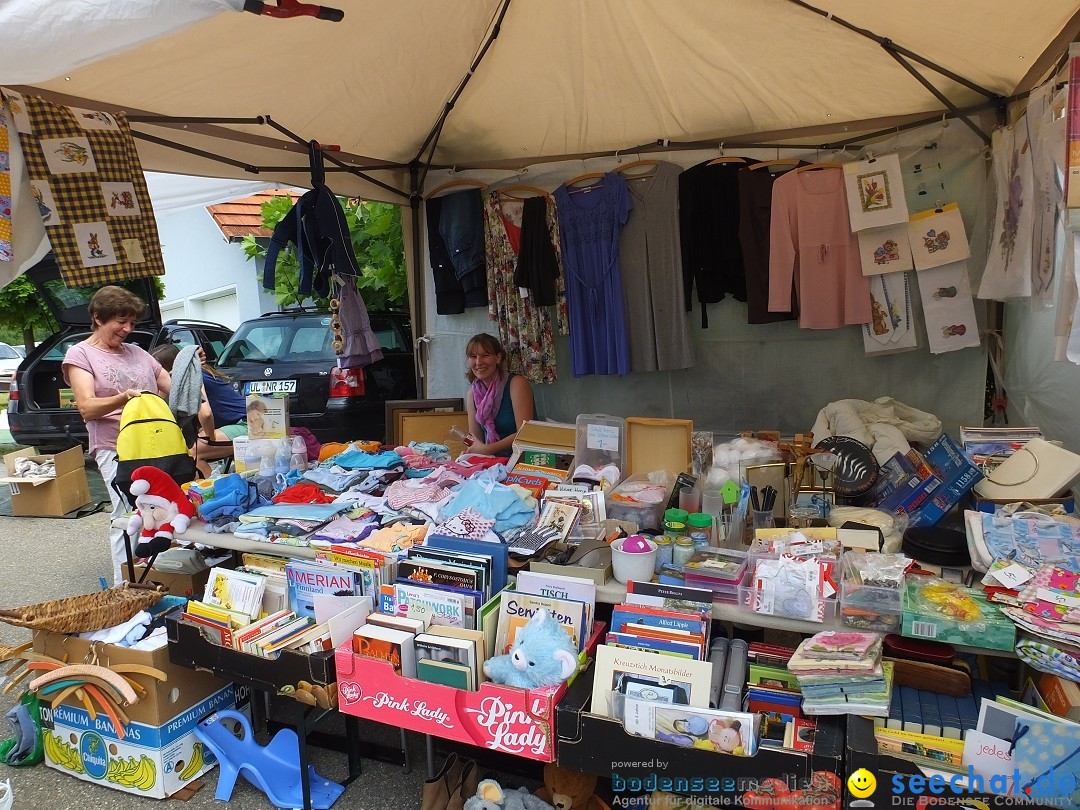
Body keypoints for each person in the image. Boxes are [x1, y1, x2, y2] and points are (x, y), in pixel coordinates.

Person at [63, 286, 171, 585]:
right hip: (114, 445)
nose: (128, 329)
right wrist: (125, 397)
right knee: (128, 514)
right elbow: (87, 407)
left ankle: (157, 579)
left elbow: (170, 387)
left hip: (154, 445)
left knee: (160, 511)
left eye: (133, 323)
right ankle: (124, 585)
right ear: (98, 317)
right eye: (121, 321)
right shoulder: (80, 354)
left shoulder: (138, 353)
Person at [151, 344, 245, 472]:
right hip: (244, 421)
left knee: (192, 451)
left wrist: (210, 437)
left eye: (156, 369)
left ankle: (211, 490)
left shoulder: (193, 377)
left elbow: (205, 414)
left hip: (249, 424)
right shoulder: (186, 376)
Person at [464, 333, 534, 456]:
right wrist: (469, 453)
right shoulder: (472, 394)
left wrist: (488, 449)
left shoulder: (516, 384)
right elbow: (475, 440)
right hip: (493, 461)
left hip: (525, 458)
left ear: (498, 357)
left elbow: (525, 432)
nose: (478, 362)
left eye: (485, 355)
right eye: (473, 356)